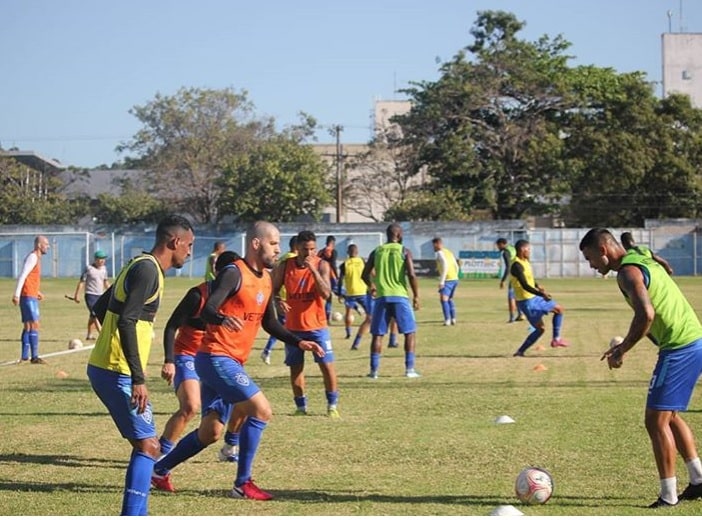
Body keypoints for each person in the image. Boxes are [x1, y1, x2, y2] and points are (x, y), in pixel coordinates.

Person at [152, 221, 324, 500]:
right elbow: (207, 308)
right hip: (216, 356)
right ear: (256, 244)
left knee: (211, 432)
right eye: (273, 243)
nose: (279, 249)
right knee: (261, 410)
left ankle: (159, 471)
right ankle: (242, 483)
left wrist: (298, 341)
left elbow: (270, 322)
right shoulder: (234, 273)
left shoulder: (267, 279)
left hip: (229, 360)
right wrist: (221, 318)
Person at [580, 228, 702, 508]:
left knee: (655, 421)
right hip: (693, 339)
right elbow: (645, 251)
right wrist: (661, 266)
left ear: (603, 251)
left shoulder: (627, 273)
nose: (590, 265)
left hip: (679, 347)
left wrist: (621, 350)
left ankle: (668, 496)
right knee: (669, 417)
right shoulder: (638, 255)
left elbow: (646, 314)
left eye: (590, 259)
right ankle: (698, 480)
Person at [86, 215, 194, 516]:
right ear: (174, 242)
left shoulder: (140, 265)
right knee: (149, 447)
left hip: (108, 367)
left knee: (147, 446)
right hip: (117, 371)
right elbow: (127, 319)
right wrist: (137, 377)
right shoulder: (148, 270)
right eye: (189, 245)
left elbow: (100, 307)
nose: (190, 252)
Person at [157, 251, 241, 462]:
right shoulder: (198, 295)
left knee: (246, 399)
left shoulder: (239, 298)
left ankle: (230, 445)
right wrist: (169, 360)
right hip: (187, 355)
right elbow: (171, 327)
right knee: (190, 406)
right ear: (217, 273)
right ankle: (161, 453)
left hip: (217, 357)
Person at [272, 230, 341, 418]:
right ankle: (301, 407)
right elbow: (273, 289)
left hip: (317, 327)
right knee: (296, 368)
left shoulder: (322, 265)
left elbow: (326, 294)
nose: (308, 253)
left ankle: (332, 405)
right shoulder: (285, 266)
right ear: (297, 249)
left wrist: (313, 270)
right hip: (294, 328)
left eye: (312, 249)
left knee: (327, 366)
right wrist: (278, 301)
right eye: (304, 249)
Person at [361, 223, 420, 378]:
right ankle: (409, 370)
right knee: (409, 333)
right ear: (399, 235)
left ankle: (374, 372)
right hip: (400, 296)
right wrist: (416, 296)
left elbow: (364, 274)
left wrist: (371, 286)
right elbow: (412, 275)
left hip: (381, 297)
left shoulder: (377, 251)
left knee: (378, 334)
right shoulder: (404, 251)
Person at [510, 239, 568, 357]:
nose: (529, 252)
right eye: (528, 249)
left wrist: (537, 285)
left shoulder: (525, 261)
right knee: (540, 329)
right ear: (522, 250)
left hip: (534, 298)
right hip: (527, 302)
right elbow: (525, 285)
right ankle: (520, 352)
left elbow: (529, 279)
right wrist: (542, 294)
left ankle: (556, 339)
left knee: (559, 309)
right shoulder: (516, 265)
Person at [12, 235, 51, 364]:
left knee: (29, 325)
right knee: (33, 324)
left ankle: (25, 356)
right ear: (39, 245)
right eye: (46, 244)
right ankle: (34, 357)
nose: (48, 246)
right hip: (27, 296)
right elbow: (23, 275)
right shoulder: (33, 257)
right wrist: (17, 294)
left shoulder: (37, 258)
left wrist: (37, 291)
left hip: (31, 294)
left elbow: (30, 278)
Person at [260, 235, 298, 365]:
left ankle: (273, 351)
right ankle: (268, 351)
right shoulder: (292, 260)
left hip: (281, 297)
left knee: (284, 326)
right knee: (284, 328)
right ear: (296, 246)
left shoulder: (282, 258)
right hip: (287, 299)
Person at [337, 243, 371, 346]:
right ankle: (358, 339)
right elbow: (368, 275)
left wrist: (339, 293)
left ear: (348, 253)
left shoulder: (344, 264)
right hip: (362, 292)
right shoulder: (362, 261)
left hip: (350, 293)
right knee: (370, 316)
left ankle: (348, 333)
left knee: (348, 313)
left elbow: (340, 280)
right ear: (357, 252)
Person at [73, 250, 111, 340]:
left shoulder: (104, 269)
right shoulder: (89, 268)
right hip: (90, 295)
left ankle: (89, 335)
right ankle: (102, 335)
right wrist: (76, 295)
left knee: (92, 316)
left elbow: (105, 282)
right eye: (100, 259)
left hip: (100, 295)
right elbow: (82, 282)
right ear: (95, 259)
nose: (102, 261)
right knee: (95, 314)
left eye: (103, 259)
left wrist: (110, 292)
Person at [495, 238, 525, 323]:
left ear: (502, 244)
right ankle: (521, 314)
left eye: (498, 245)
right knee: (518, 295)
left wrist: (503, 280)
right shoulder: (512, 248)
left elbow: (508, 267)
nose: (498, 247)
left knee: (511, 297)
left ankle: (512, 318)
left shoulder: (506, 252)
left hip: (514, 275)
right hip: (522, 272)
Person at [432, 237, 459, 326]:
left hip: (447, 280)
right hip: (454, 279)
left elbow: (445, 266)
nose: (433, 247)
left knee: (443, 300)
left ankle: (447, 319)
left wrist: (442, 281)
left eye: (433, 245)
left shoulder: (440, 253)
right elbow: (456, 265)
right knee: (449, 299)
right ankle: (453, 318)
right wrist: (456, 275)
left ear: (437, 244)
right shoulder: (448, 252)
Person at [317, 234, 338, 321]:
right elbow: (333, 264)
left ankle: (326, 316)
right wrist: (337, 275)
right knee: (342, 292)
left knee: (328, 297)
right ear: (333, 242)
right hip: (331, 275)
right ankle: (356, 307)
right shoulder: (333, 251)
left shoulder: (321, 252)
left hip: (321, 276)